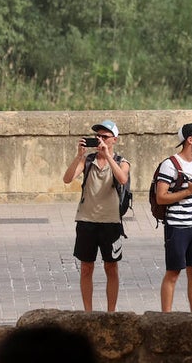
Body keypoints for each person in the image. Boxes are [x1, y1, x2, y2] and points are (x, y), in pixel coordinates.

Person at [62, 119, 130, 312]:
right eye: (97, 136)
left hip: (111, 222)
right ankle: (88, 312)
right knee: (86, 268)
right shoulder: (88, 161)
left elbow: (122, 179)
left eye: (104, 136)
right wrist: (79, 156)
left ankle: (111, 312)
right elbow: (67, 179)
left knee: (111, 268)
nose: (100, 139)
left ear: (114, 140)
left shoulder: (121, 162)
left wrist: (108, 156)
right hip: (86, 221)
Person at [155, 122, 192, 311]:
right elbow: (161, 198)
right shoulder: (169, 165)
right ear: (190, 140)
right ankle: (166, 318)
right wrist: (188, 191)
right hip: (176, 228)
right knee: (173, 273)